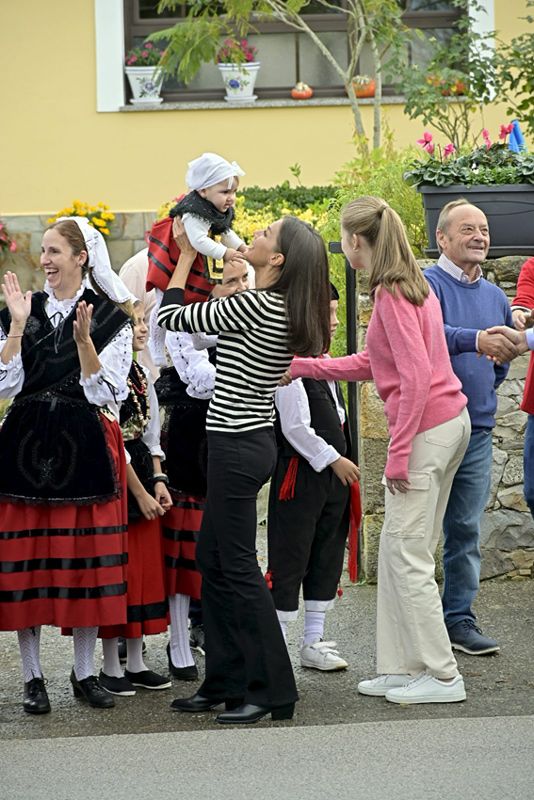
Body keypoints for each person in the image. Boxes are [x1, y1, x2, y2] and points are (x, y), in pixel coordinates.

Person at [290, 196, 471, 705]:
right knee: (398, 552)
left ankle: (442, 676)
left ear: (353, 241)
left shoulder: (392, 292)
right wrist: (307, 367)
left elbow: (412, 379)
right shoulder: (413, 285)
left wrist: (398, 452)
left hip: (426, 434)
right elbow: (376, 362)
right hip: (447, 426)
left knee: (406, 556)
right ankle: (401, 667)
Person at [157, 215, 331, 724]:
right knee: (213, 560)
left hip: (236, 446)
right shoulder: (273, 304)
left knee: (235, 566)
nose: (251, 237)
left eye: (264, 237)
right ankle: (227, 681)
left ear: (276, 260)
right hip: (244, 443)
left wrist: (187, 257)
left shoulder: (256, 303)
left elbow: (173, 319)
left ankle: (273, 690)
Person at [0, 217, 134, 713]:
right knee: (27, 566)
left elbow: (110, 393)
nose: (45, 260)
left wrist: (83, 345)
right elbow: (4, 385)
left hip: (83, 444)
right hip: (24, 446)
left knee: (86, 567)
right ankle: (33, 677)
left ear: (82, 258)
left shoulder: (110, 320)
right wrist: (14, 327)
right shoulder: (21, 309)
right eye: (43, 250)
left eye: (55, 251)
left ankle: (83, 673)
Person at [424, 199, 516, 656]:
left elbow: (500, 358)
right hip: (432, 428)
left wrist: (489, 383)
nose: (480, 236)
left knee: (464, 528)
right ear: (441, 238)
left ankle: (458, 619)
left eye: (483, 229)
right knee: (419, 531)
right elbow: (424, 337)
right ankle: (419, 624)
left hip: (476, 430)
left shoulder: (496, 296)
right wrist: (473, 341)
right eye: (468, 229)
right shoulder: (425, 285)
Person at [160, 258, 250, 681]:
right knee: (186, 552)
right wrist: (249, 371)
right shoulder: (187, 323)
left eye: (242, 279)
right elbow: (197, 379)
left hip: (231, 438)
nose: (238, 288)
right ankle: (179, 642)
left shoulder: (248, 316)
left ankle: (218, 634)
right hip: (189, 440)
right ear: (208, 291)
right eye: (228, 283)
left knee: (228, 547)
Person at [267, 283, 360, 671]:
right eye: (329, 314)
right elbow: (295, 427)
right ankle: (276, 649)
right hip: (300, 478)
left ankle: (313, 641)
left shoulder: (324, 363)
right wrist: (335, 458)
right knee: (292, 555)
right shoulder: (289, 363)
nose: (336, 322)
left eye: (338, 313)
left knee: (326, 553)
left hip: (333, 482)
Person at [99, 301, 173, 696]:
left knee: (142, 568)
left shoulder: (141, 373)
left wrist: (158, 479)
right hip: (117, 474)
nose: (142, 329)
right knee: (118, 567)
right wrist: (140, 491)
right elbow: (114, 440)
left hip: (143, 469)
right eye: (134, 324)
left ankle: (138, 660)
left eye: (144, 322)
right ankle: (111, 665)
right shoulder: (106, 378)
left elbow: (151, 433)